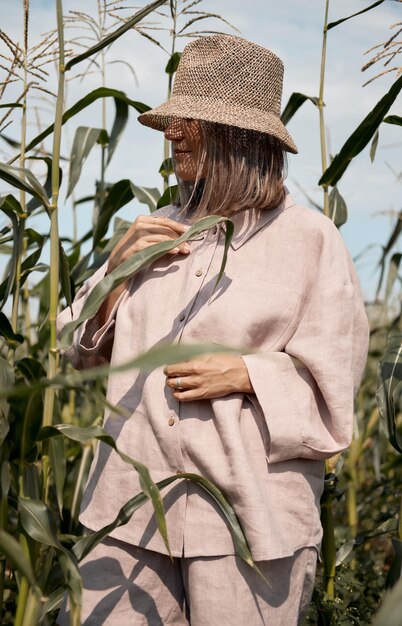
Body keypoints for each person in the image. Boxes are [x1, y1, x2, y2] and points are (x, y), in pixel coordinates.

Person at [57, 34, 369, 626]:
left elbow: (334, 392)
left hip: (251, 525)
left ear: (238, 136)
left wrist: (250, 372)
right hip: (126, 510)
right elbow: (77, 348)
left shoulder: (309, 241)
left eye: (190, 121)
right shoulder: (149, 229)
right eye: (174, 120)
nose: (172, 133)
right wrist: (119, 274)